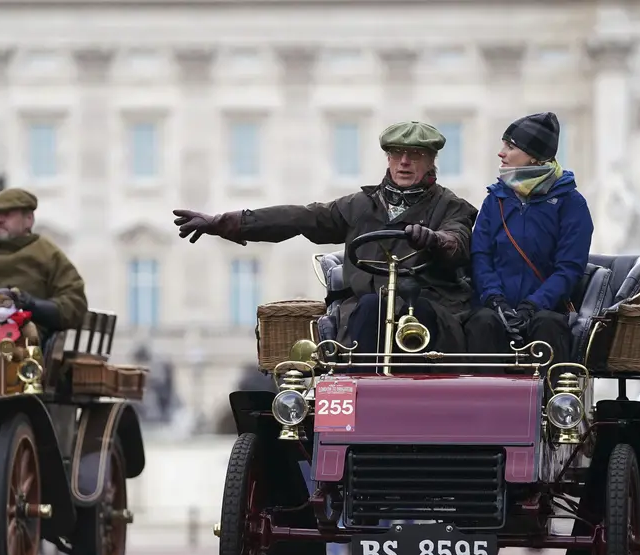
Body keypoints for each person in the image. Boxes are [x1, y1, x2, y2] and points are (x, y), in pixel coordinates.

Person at [174, 121, 478, 354]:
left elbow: (457, 240)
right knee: (370, 306)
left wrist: (435, 240)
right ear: (387, 158)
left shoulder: (452, 207)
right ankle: (359, 392)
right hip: (366, 312)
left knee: (419, 311)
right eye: (397, 154)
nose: (404, 162)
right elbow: (299, 218)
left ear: (431, 161)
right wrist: (223, 223)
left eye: (415, 155)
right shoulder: (360, 206)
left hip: (426, 308)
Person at [463, 112, 593, 367]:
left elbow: (568, 268)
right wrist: (495, 300)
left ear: (533, 156)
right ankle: (481, 405)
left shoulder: (571, 204)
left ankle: (551, 404)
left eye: (510, 146)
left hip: (545, 310)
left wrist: (531, 306)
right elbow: (480, 255)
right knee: (481, 323)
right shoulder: (495, 199)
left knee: (547, 325)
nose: (501, 153)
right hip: (495, 306)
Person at [0, 187, 88, 335]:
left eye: (7, 215)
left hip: (22, 335)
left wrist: (30, 305)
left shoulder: (48, 254)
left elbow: (75, 301)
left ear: (29, 220)